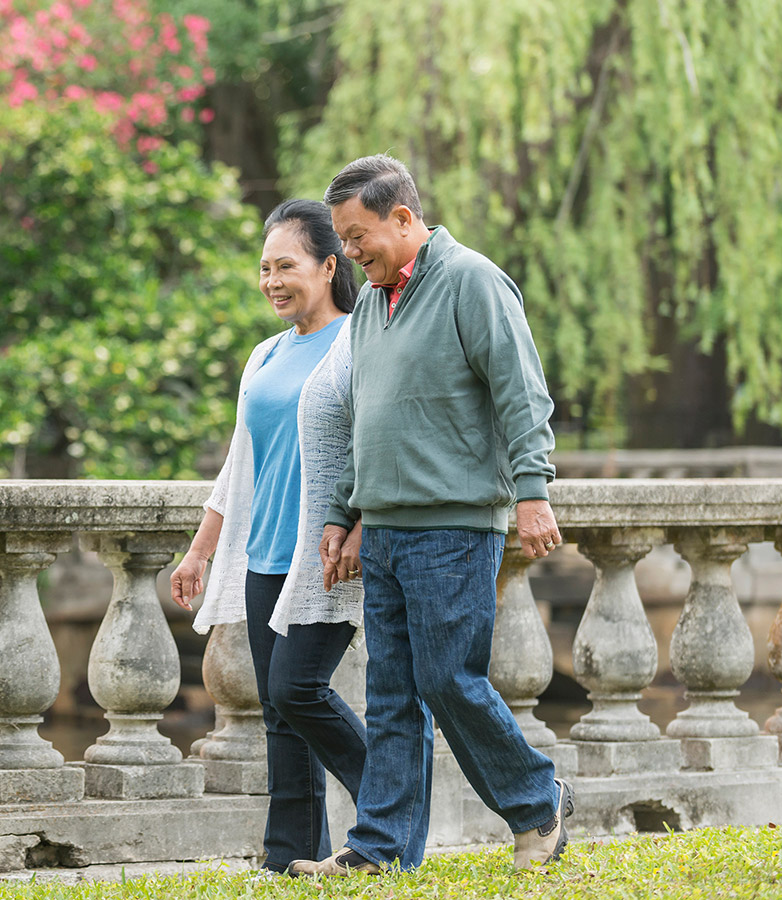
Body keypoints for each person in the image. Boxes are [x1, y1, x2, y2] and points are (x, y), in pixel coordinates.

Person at [295, 154, 571, 876]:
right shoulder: (373, 307)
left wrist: (533, 491)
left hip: (451, 527)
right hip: (382, 528)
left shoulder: (471, 282)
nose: (351, 253)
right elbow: (366, 421)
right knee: (389, 695)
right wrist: (340, 513)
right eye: (342, 240)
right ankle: (380, 849)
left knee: (450, 680)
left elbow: (522, 393)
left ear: (404, 219)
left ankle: (538, 803)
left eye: (359, 237)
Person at [170, 198, 367, 875]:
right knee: (278, 713)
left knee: (297, 690)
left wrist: (360, 526)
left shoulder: (358, 342)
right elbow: (239, 465)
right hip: (263, 556)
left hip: (328, 553)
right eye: (264, 268)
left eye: (287, 265)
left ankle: (392, 804)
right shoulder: (264, 355)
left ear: (328, 265)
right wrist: (199, 551)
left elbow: (376, 446)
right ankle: (289, 858)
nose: (273, 280)